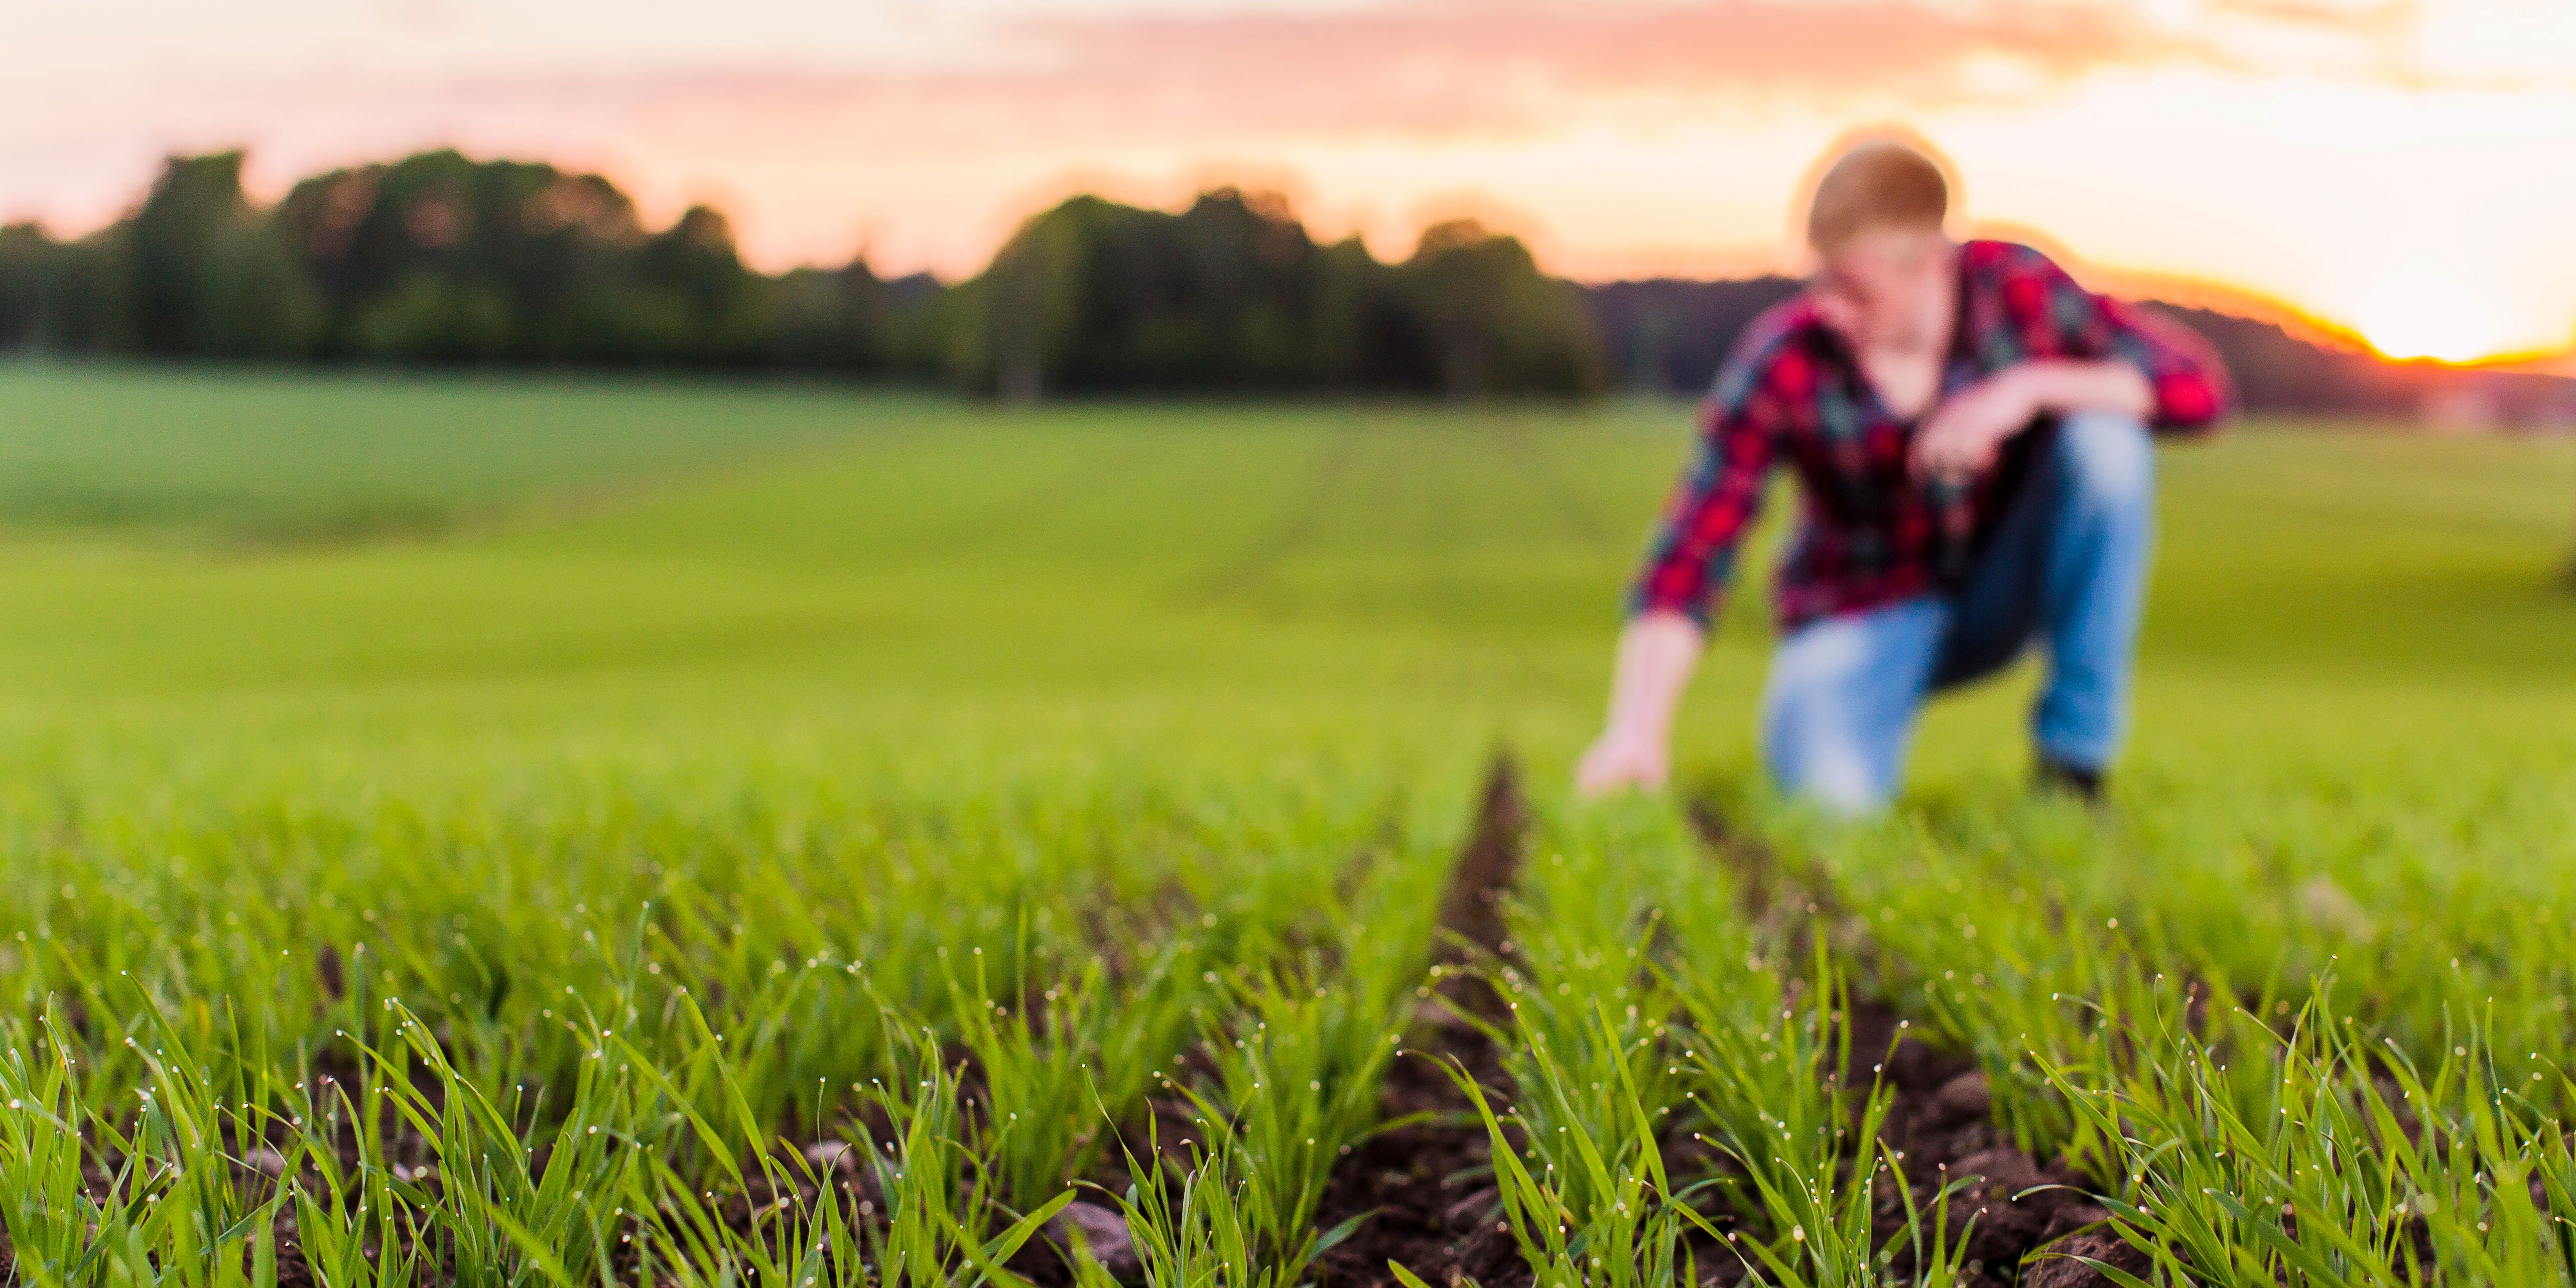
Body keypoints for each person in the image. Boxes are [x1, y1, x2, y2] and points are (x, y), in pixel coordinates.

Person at [1576, 137, 2232, 812]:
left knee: (2107, 441)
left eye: (1857, 291)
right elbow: (1696, 543)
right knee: (1828, 803)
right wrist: (1636, 729)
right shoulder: (1787, 357)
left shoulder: (2017, 290)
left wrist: (2029, 388)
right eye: (1822, 283)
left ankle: (2073, 773)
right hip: (1860, 611)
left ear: (1929, 264)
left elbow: (2197, 389)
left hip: (1996, 592)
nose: (1831, 309)